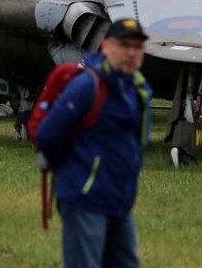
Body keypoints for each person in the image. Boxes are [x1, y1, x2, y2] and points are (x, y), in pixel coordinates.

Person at [35, 18, 153, 268]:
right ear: (107, 47)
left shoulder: (136, 89)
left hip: (119, 201)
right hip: (84, 199)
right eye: (124, 45)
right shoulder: (87, 85)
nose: (131, 53)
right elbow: (48, 134)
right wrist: (75, 172)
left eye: (137, 46)